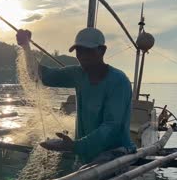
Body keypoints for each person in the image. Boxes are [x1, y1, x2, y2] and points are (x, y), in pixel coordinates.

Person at [16, 28, 136, 166]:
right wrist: (26, 46)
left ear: (102, 50)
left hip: (116, 154)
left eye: (88, 50)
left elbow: (111, 127)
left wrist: (74, 146)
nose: (83, 56)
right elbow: (41, 76)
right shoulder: (78, 74)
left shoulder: (119, 81)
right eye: (79, 51)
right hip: (85, 154)